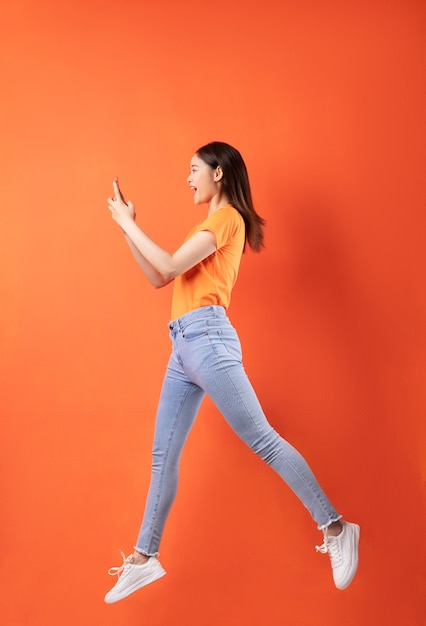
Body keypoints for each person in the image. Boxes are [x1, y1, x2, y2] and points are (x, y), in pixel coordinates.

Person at [104, 141, 360, 604]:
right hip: (182, 344)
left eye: (194, 169)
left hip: (208, 340)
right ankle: (145, 558)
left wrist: (126, 223)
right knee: (163, 458)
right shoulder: (207, 225)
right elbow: (160, 277)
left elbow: (166, 264)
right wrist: (129, 227)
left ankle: (337, 527)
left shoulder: (227, 220)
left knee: (262, 439)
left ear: (219, 173)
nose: (188, 178)